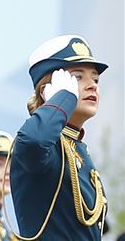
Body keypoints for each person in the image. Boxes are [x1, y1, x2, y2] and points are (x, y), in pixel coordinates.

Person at [12, 35, 108, 240]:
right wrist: (63, 98)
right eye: (78, 77)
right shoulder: (45, 146)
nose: (92, 85)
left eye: (96, 79)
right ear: (49, 89)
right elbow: (33, 141)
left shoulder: (78, 149)